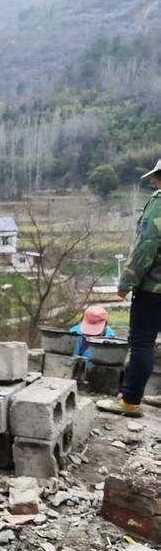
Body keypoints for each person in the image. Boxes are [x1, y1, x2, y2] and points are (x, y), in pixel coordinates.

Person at [98, 159, 161, 417]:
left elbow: (146, 246)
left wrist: (127, 281)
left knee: (142, 341)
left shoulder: (159, 203)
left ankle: (130, 401)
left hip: (154, 289)